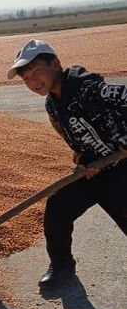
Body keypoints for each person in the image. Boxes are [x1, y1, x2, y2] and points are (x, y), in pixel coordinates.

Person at [7, 38, 127, 288]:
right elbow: (75, 140)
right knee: (58, 207)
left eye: (37, 71)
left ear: (56, 64)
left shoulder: (89, 89)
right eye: (26, 78)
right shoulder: (52, 104)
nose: (33, 81)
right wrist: (85, 161)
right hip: (94, 172)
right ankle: (62, 266)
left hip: (122, 171)